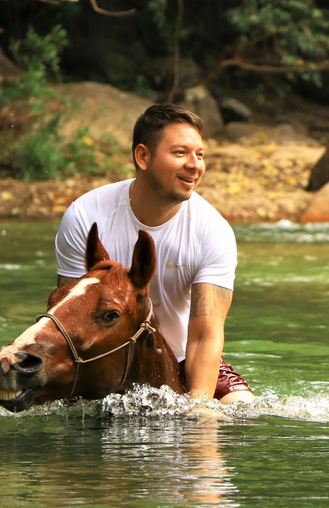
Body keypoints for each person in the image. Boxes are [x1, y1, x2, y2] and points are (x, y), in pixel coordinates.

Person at [54, 103, 255, 403]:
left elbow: (205, 336)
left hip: (183, 360)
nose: (195, 165)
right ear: (143, 157)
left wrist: (198, 405)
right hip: (100, 359)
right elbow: (70, 315)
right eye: (180, 153)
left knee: (241, 408)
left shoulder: (212, 231)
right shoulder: (86, 216)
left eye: (200, 155)